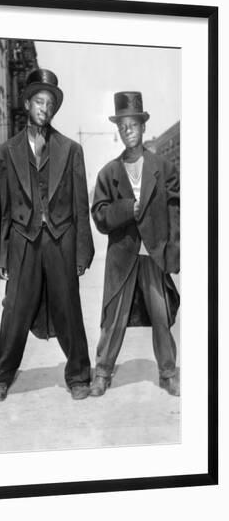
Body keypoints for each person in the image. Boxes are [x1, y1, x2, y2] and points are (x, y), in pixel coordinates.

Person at [0, 69, 94, 401]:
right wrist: (3, 255)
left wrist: (82, 253)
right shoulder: (6, 151)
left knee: (69, 308)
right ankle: (0, 376)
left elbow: (80, 204)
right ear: (26, 103)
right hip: (23, 239)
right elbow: (3, 207)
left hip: (61, 238)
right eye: (39, 101)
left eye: (49, 103)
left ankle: (78, 374)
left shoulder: (71, 149)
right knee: (15, 309)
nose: (44, 107)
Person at [90, 91, 180, 397]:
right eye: (123, 125)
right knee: (113, 317)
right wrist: (126, 209)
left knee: (161, 315)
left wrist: (174, 248)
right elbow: (99, 215)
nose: (128, 130)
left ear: (143, 127)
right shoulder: (109, 172)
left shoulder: (163, 167)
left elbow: (175, 209)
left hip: (153, 253)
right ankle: (102, 372)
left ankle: (168, 372)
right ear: (119, 131)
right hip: (123, 255)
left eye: (134, 124)